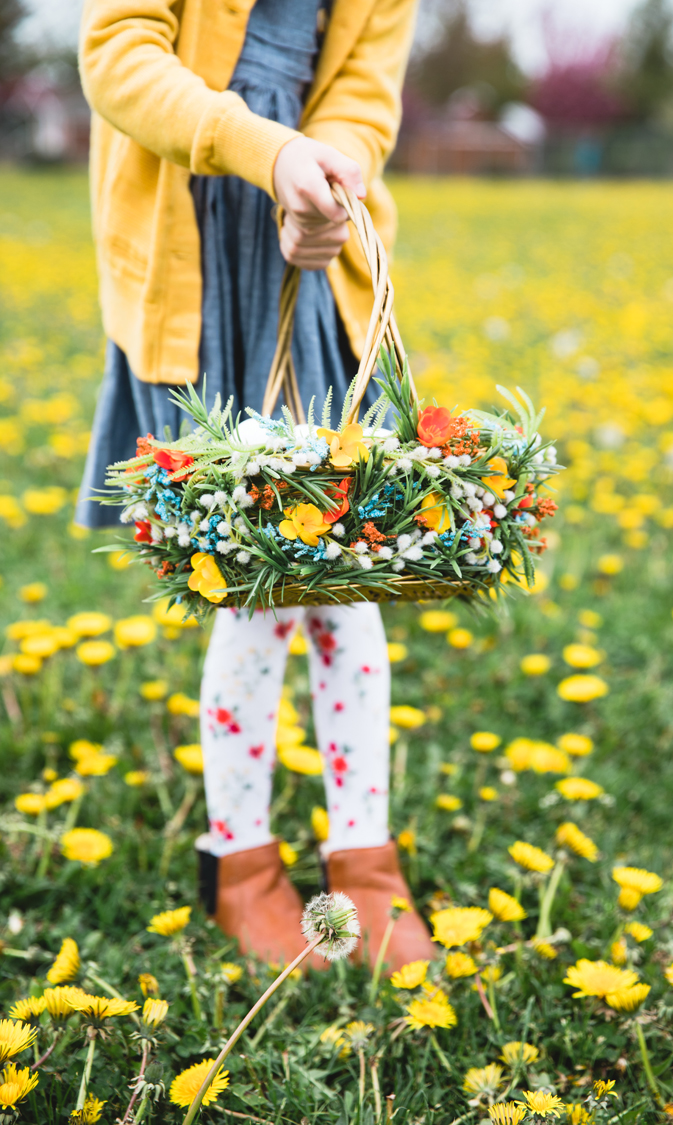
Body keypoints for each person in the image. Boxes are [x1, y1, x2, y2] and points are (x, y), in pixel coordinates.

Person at [77, 0, 435, 971]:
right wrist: (266, 151)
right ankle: (240, 864)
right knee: (261, 583)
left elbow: (363, 95)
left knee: (345, 578)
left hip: (309, 261)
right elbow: (117, 52)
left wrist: (331, 178)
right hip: (198, 252)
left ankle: (364, 859)